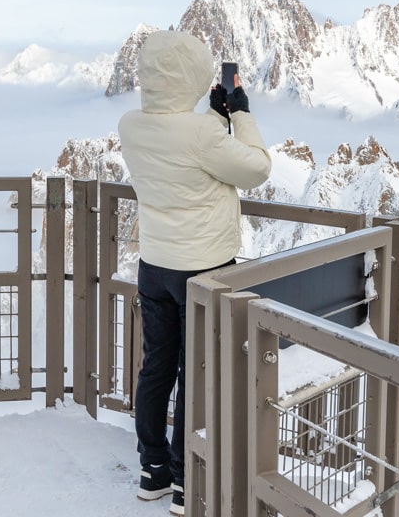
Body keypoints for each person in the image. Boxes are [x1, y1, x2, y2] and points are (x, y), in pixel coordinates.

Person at [117, 30, 271, 515]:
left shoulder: (131, 125)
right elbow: (256, 168)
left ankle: (153, 471)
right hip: (202, 271)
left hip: (154, 266)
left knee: (156, 367)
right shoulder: (203, 134)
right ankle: (188, 482)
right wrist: (239, 112)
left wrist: (211, 119)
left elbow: (180, 143)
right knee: (196, 373)